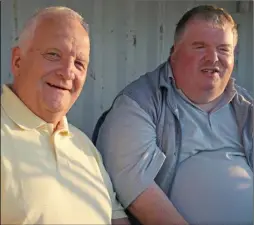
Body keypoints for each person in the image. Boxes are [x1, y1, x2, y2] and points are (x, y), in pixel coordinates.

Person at [94, 5, 253, 225]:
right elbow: (137, 190)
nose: (213, 57)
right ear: (173, 54)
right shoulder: (137, 104)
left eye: (224, 49)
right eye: (200, 47)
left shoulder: (247, 107)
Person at [1, 6, 130, 225]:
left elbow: (115, 219)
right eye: (53, 55)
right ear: (18, 60)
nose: (68, 72)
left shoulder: (84, 147)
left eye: (79, 63)